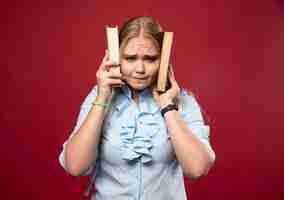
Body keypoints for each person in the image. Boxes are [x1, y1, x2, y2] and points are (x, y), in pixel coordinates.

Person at [58, 16, 216, 200]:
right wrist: (102, 97)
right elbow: (75, 167)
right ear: (116, 58)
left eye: (150, 59)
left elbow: (197, 169)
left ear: (163, 60)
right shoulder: (98, 97)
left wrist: (167, 106)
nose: (140, 69)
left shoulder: (183, 102)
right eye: (130, 58)